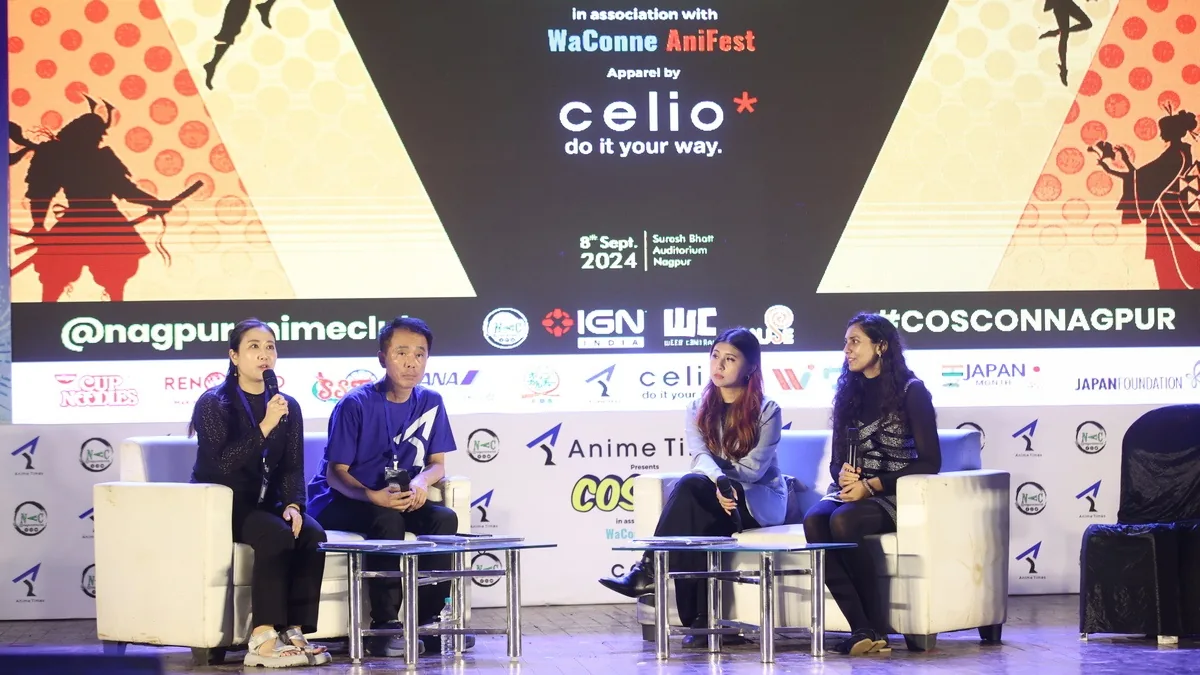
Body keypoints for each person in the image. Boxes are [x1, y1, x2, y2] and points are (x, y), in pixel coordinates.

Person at [599, 327, 784, 648]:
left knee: (690, 489)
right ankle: (701, 622)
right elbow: (699, 456)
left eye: (730, 359)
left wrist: (723, 484)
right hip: (714, 494)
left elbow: (754, 470)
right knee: (696, 512)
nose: (719, 366)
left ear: (751, 367)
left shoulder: (768, 410)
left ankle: (649, 571)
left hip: (755, 501)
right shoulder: (697, 406)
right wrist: (718, 483)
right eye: (715, 356)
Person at [307, 316, 469, 658]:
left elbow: (437, 463)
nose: (412, 363)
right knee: (387, 520)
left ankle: (428, 622)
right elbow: (336, 473)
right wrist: (372, 496)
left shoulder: (431, 401)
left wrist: (421, 482)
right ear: (383, 357)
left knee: (444, 519)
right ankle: (384, 628)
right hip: (342, 498)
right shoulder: (355, 403)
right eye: (401, 353)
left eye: (420, 354)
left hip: (395, 495)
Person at [190, 318, 330, 668]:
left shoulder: (287, 405)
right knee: (275, 535)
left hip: (267, 502)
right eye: (254, 346)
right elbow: (223, 464)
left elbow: (292, 465)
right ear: (234, 356)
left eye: (270, 347)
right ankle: (262, 637)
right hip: (224, 502)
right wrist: (265, 425)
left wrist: (294, 504)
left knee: (311, 533)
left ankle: (294, 630)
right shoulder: (214, 403)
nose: (264, 354)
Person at [802, 312, 941, 656]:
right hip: (853, 491)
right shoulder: (848, 393)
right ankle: (863, 629)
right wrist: (842, 476)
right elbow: (836, 461)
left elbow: (930, 461)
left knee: (843, 521)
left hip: (894, 491)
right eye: (845, 342)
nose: (846, 350)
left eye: (855, 341)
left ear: (881, 346)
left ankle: (876, 626)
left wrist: (873, 485)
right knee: (815, 520)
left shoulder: (912, 391)